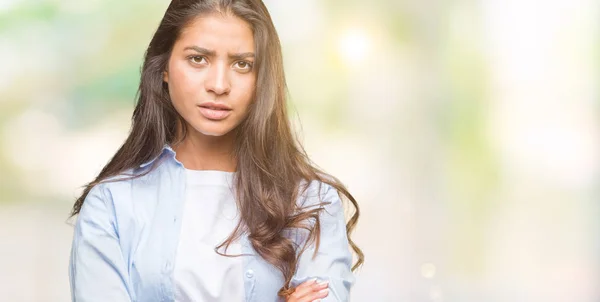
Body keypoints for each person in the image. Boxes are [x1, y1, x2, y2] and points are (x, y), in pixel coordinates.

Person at [68, 0, 363, 301]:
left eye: (242, 64)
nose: (219, 85)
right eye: (198, 59)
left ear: (262, 79)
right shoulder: (111, 205)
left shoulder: (312, 202)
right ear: (165, 67)